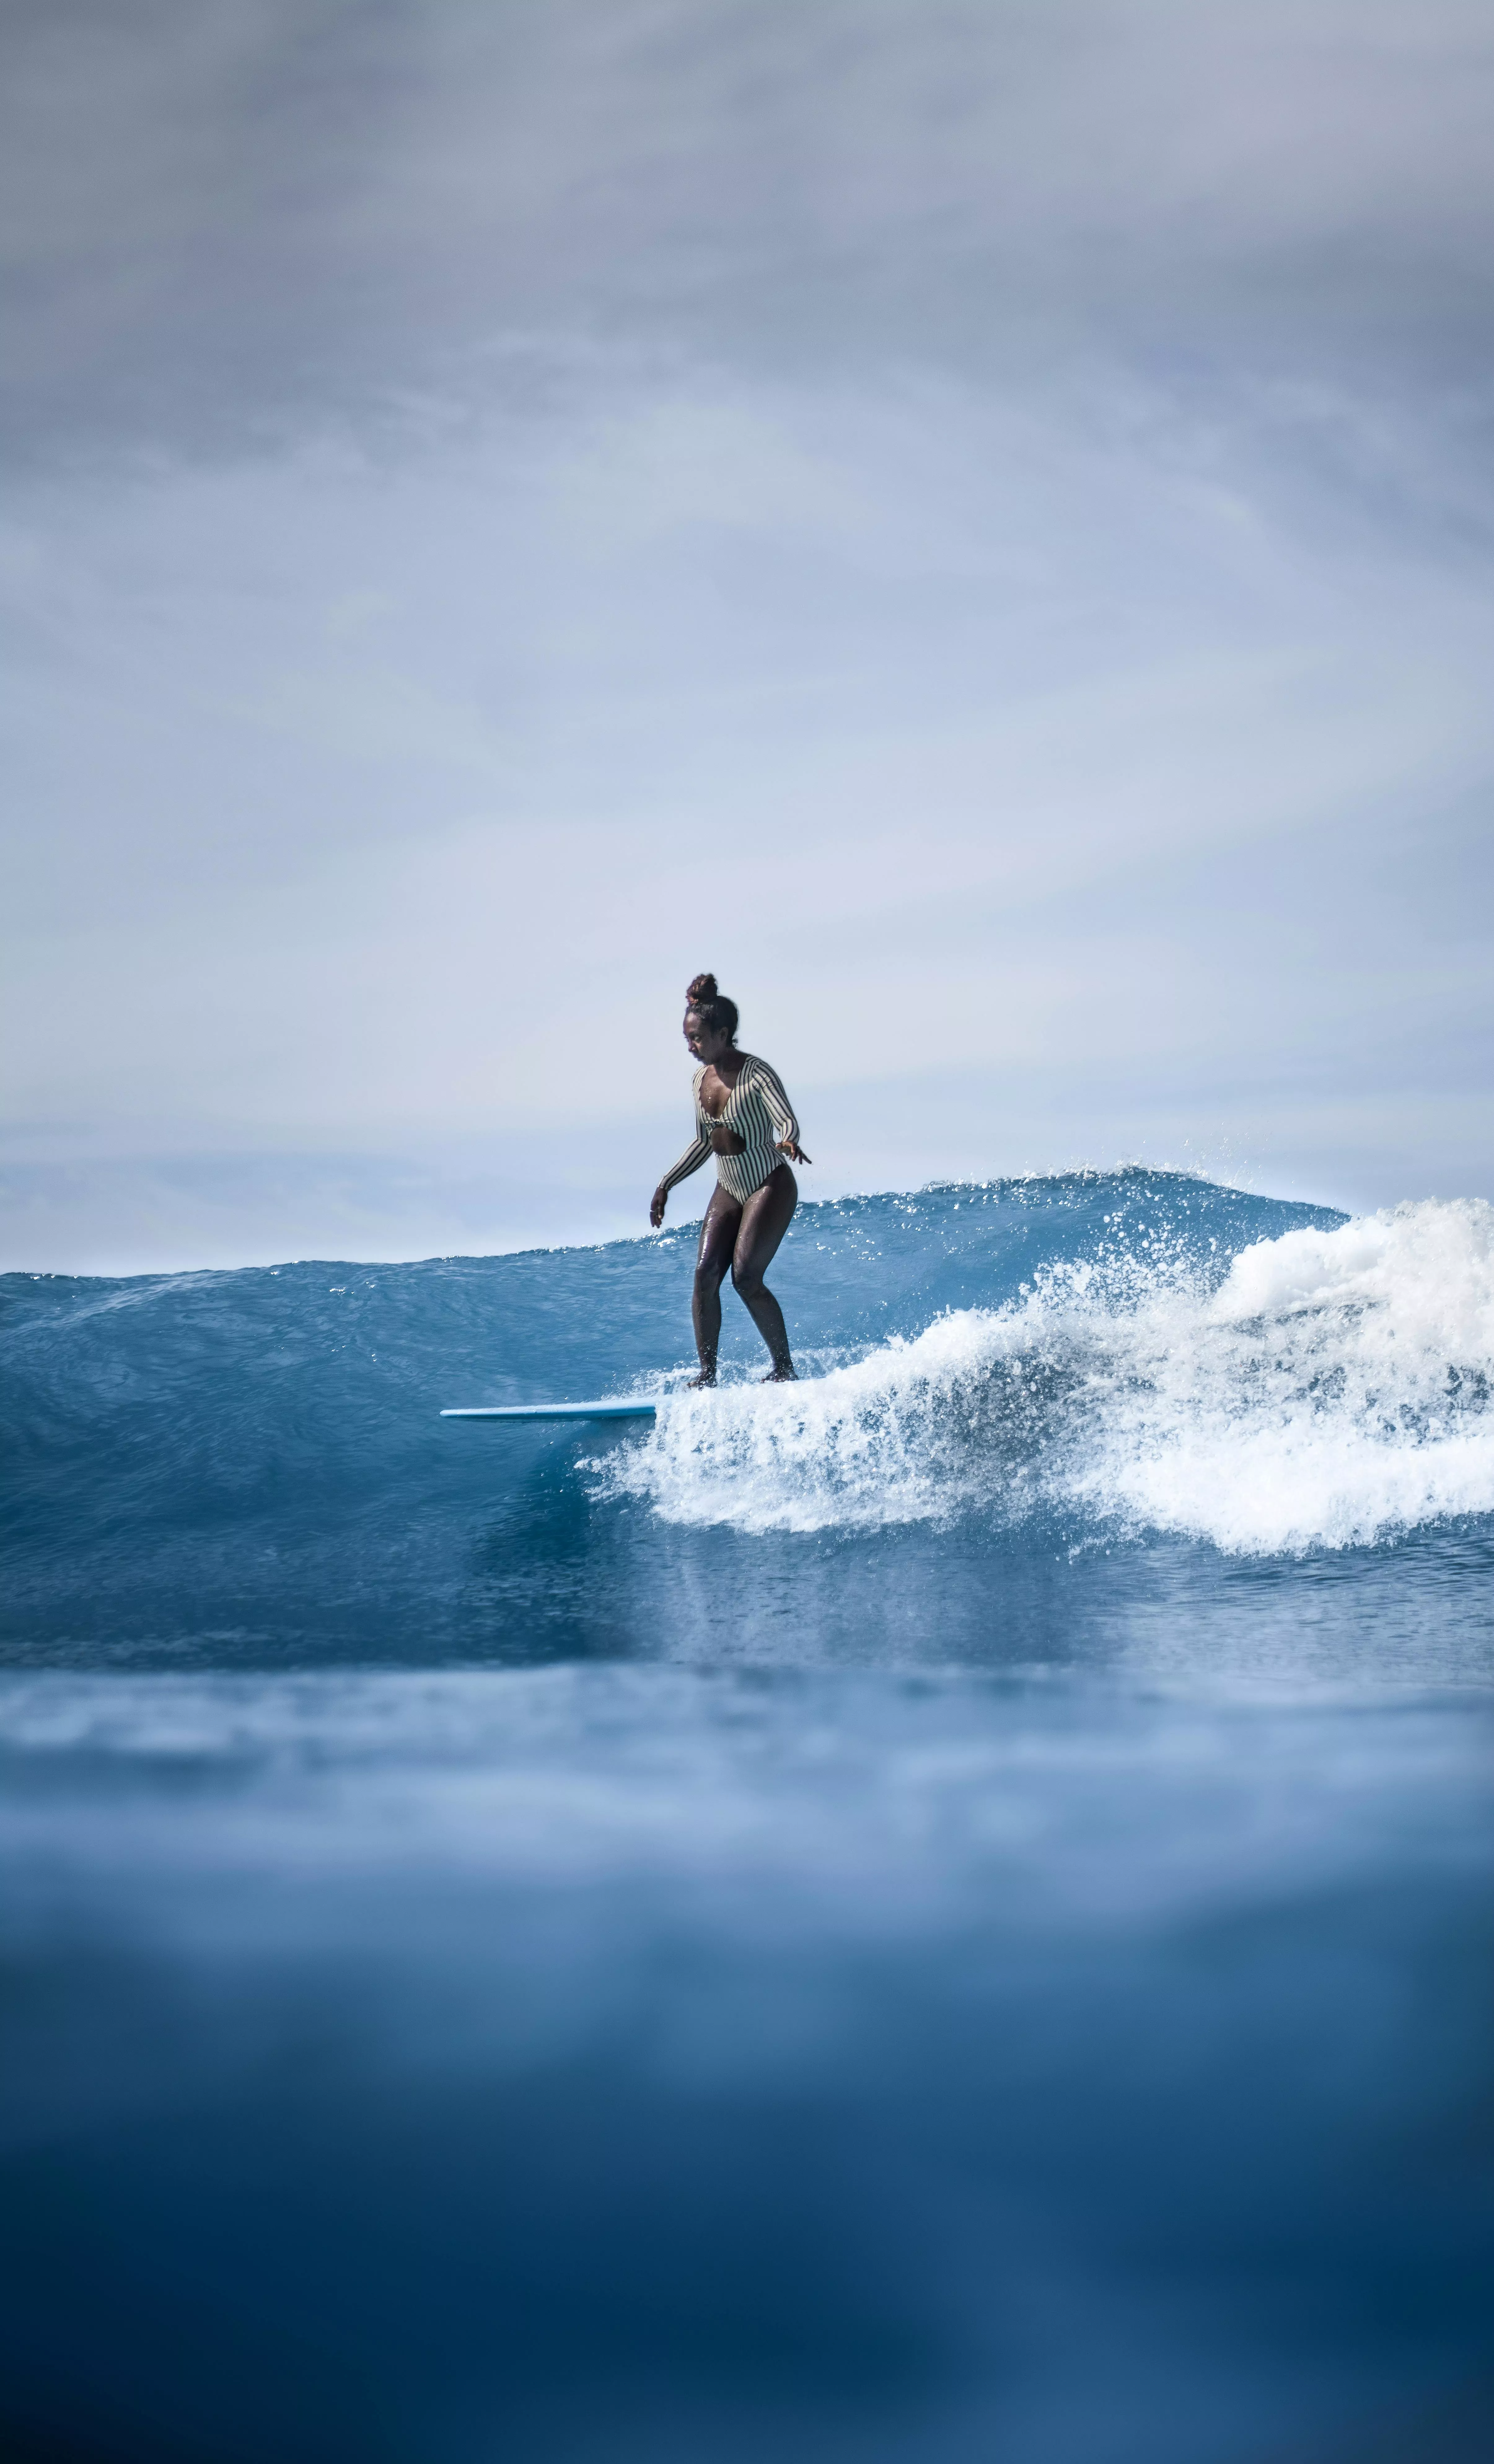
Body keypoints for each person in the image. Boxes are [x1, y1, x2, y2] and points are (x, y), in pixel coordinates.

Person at [650, 973, 811, 1384]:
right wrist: (666, 1183)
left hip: (768, 1183)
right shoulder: (699, 1081)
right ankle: (707, 1375)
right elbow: (705, 1142)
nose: (691, 1046)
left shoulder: (757, 1074)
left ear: (723, 1034)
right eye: (687, 1038)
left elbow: (784, 1119)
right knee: (705, 1277)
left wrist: (789, 1140)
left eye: (698, 1038)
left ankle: (784, 1369)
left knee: (745, 1278)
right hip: (728, 1187)